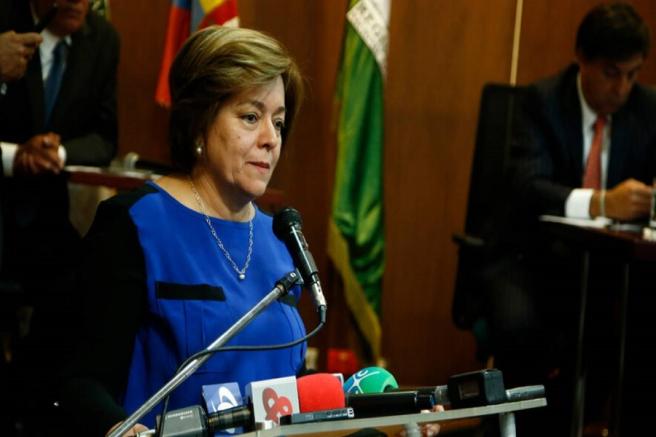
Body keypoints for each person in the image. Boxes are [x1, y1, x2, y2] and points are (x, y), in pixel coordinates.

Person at [59, 25, 307, 436]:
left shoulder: (280, 236)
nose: (271, 139)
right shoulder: (136, 224)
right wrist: (120, 428)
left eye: (278, 123)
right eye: (251, 117)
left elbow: (290, 381)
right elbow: (82, 381)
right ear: (199, 122)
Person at [491, 2, 656, 436]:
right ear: (582, 58)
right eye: (611, 73)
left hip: (611, 270)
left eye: (633, 74)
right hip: (532, 260)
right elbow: (527, 187)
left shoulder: (647, 109)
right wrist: (601, 203)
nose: (622, 88)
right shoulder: (541, 102)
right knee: (520, 328)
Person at [0, 0, 119, 434]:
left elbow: (105, 136)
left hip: (49, 216)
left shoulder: (102, 39)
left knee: (87, 289)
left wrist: (58, 152)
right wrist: (15, 156)